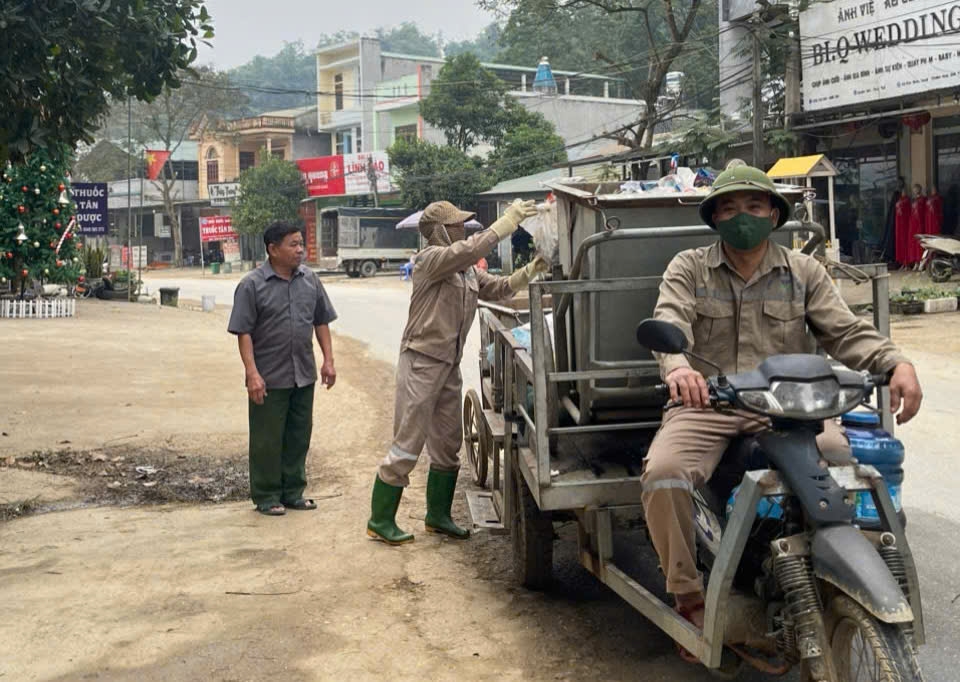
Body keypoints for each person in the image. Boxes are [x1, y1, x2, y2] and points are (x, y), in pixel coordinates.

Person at [642, 165, 923, 662]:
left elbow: (845, 330)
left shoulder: (804, 271)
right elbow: (670, 318)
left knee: (840, 463)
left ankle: (839, 564)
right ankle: (688, 594)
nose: (742, 217)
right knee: (664, 476)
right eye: (729, 208)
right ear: (714, 218)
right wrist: (678, 367)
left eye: (753, 206)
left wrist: (895, 362)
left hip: (789, 404)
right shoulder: (689, 266)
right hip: (711, 400)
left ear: (773, 214)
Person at [366, 199, 545, 545]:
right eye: (457, 226)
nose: (463, 229)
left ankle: (438, 516)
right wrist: (506, 223)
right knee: (408, 442)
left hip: (447, 364)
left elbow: (500, 289)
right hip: (421, 360)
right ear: (439, 232)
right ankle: (380, 520)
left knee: (448, 442)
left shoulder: (466, 272)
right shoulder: (431, 260)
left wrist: (531, 271)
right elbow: (469, 250)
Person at [227, 221, 338, 516]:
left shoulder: (310, 280)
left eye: (301, 243)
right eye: (293, 244)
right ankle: (266, 495)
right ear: (272, 249)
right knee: (267, 438)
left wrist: (328, 360)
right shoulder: (252, 285)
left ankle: (293, 491)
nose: (300, 250)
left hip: (303, 372)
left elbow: (321, 321)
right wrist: (252, 373)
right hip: (269, 376)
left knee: (299, 435)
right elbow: (243, 332)